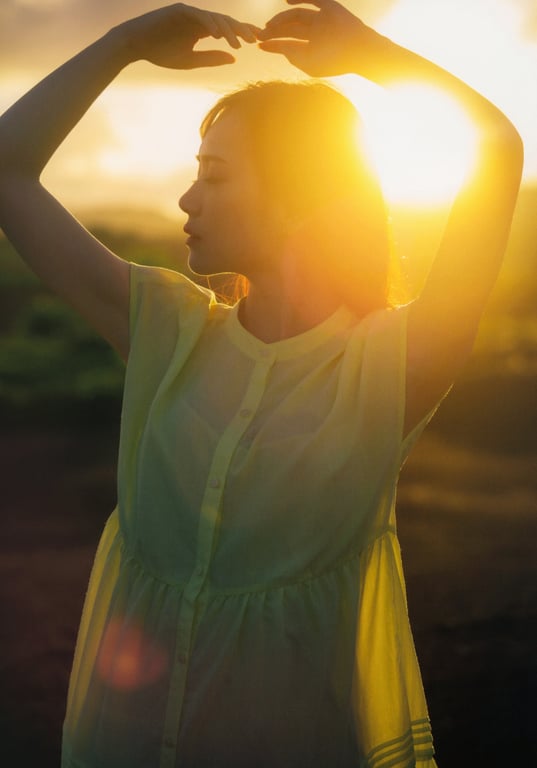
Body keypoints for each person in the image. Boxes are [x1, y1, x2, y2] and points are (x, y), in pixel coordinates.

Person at [0, 1, 523, 766]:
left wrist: (373, 52)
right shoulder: (164, 329)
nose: (186, 200)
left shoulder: (390, 365)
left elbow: (496, 148)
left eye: (212, 176)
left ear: (301, 196)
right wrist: (121, 44)